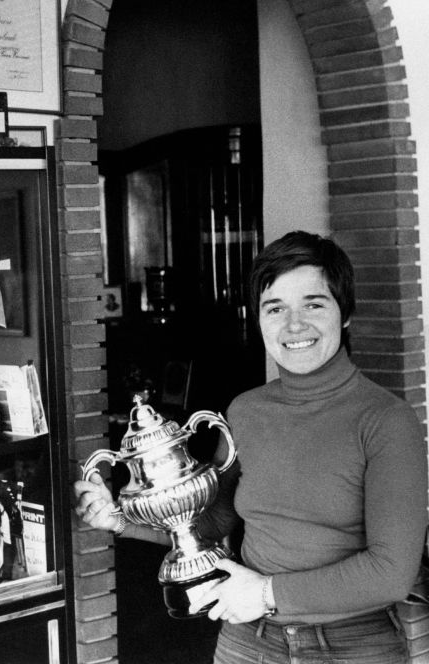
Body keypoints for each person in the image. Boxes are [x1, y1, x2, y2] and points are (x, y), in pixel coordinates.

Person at [74, 230, 428, 664]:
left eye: (313, 304)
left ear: (345, 312)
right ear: (259, 319)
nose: (293, 325)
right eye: (274, 308)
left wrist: (265, 593)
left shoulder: (386, 420)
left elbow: (392, 573)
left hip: (354, 646)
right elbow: (212, 521)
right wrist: (120, 519)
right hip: (249, 641)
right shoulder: (246, 411)